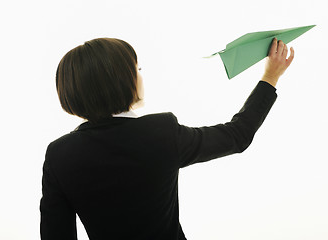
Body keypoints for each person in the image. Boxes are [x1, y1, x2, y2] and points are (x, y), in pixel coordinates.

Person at [40, 37, 294, 240]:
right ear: (121, 80)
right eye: (136, 69)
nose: (141, 75)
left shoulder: (59, 155)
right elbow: (237, 135)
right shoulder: (160, 131)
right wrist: (270, 77)